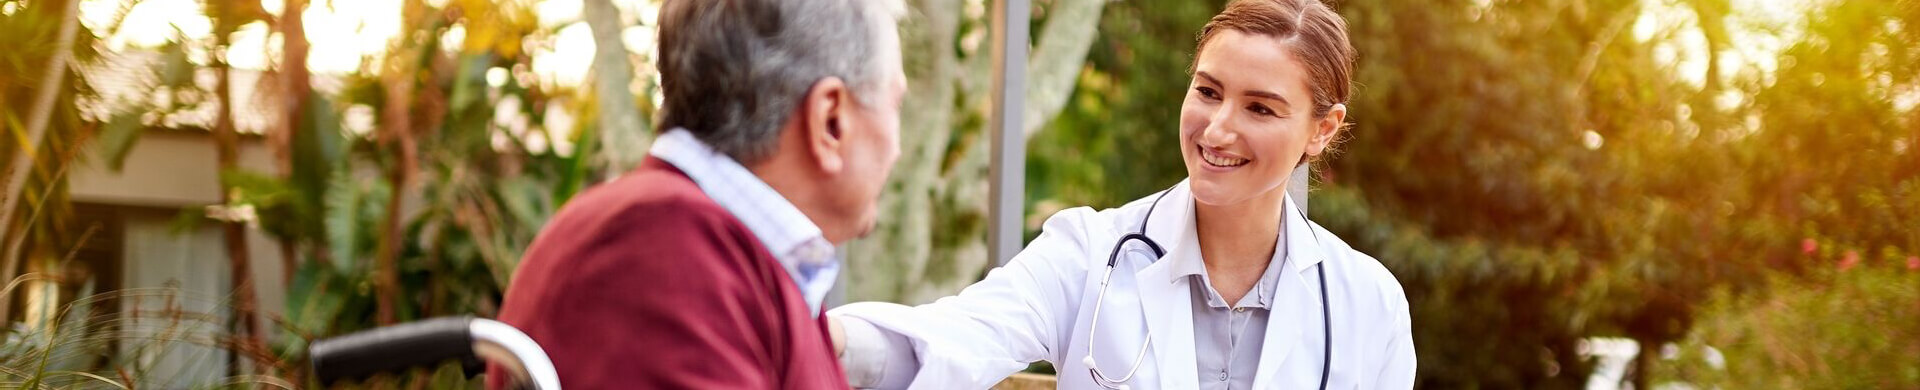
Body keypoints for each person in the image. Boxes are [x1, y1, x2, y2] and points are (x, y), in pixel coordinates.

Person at [828, 0, 1414, 388]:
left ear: (1322, 129)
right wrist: (819, 338)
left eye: (1259, 107)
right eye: (1208, 92)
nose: (1217, 129)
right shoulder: (1089, 252)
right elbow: (958, 337)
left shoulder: (1368, 303)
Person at [489, 0, 906, 388]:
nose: (898, 147)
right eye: (895, 106)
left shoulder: (733, 257)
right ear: (830, 120)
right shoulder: (659, 253)